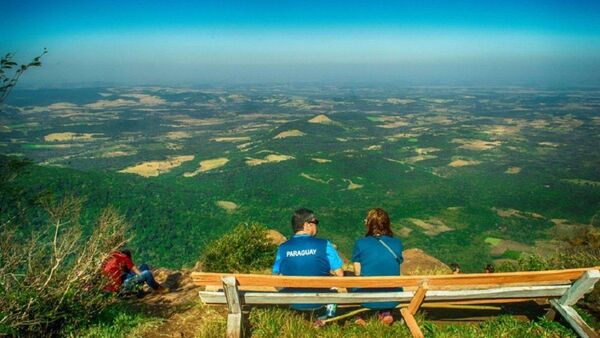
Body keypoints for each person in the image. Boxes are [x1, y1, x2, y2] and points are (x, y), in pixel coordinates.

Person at [272, 208, 344, 312]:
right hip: (319, 301)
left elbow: (275, 279)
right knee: (334, 287)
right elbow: (340, 274)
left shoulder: (283, 248)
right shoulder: (324, 245)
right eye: (315, 222)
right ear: (307, 225)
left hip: (294, 303)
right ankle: (328, 316)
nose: (317, 225)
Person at [352, 208, 404, 325]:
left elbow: (357, 272)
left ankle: (360, 315)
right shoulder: (397, 243)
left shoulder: (360, 243)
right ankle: (386, 313)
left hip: (367, 299)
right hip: (393, 297)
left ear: (369, 224)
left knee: (351, 279)